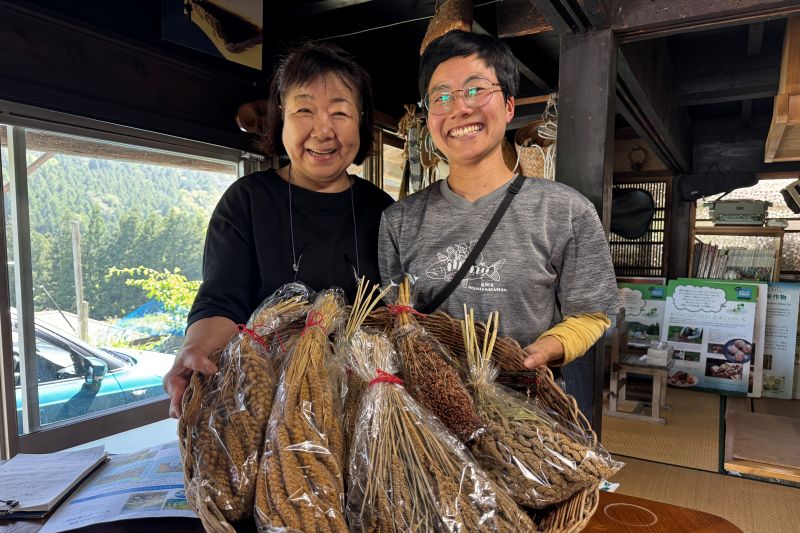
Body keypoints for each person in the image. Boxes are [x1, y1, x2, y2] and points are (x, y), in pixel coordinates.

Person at [166, 42, 393, 418]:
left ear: (361, 122)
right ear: (281, 119)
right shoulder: (247, 200)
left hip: (365, 408)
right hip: (267, 407)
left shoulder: (382, 209)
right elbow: (223, 297)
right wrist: (198, 349)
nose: (323, 130)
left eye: (340, 112)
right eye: (304, 110)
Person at [379, 30, 618, 370]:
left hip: (523, 406)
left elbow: (591, 314)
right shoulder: (398, 221)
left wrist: (545, 349)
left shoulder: (566, 211)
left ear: (508, 107)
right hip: (423, 412)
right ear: (429, 115)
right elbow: (396, 318)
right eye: (441, 97)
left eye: (475, 90)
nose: (459, 108)